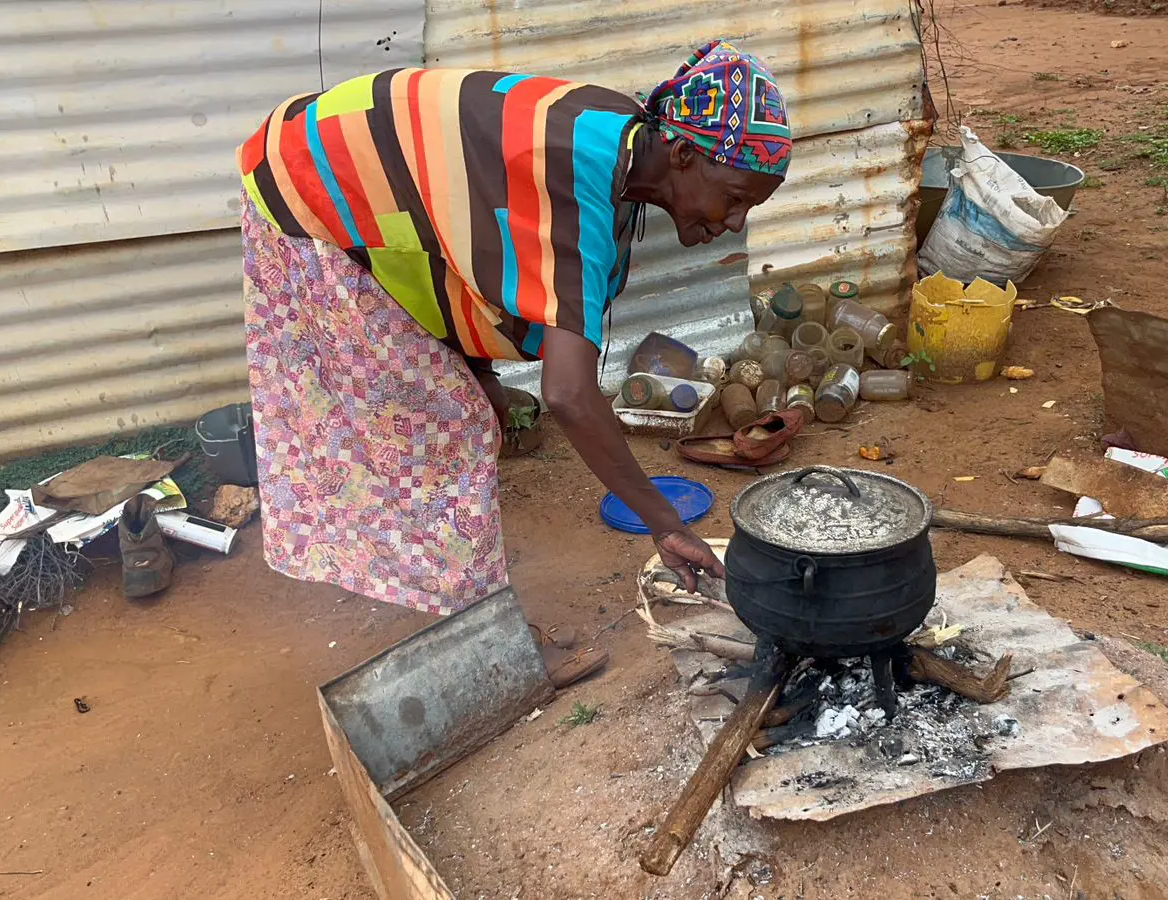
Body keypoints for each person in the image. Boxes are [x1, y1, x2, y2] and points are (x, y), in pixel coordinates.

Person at [237, 40, 791, 682]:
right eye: (734, 197)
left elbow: (460, 230)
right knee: (440, 432)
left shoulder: (627, 139)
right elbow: (568, 395)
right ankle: (493, 657)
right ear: (686, 154)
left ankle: (470, 623)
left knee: (462, 409)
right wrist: (664, 523)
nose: (733, 222)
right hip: (311, 201)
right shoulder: (574, 176)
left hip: (342, 182)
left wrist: (482, 371)